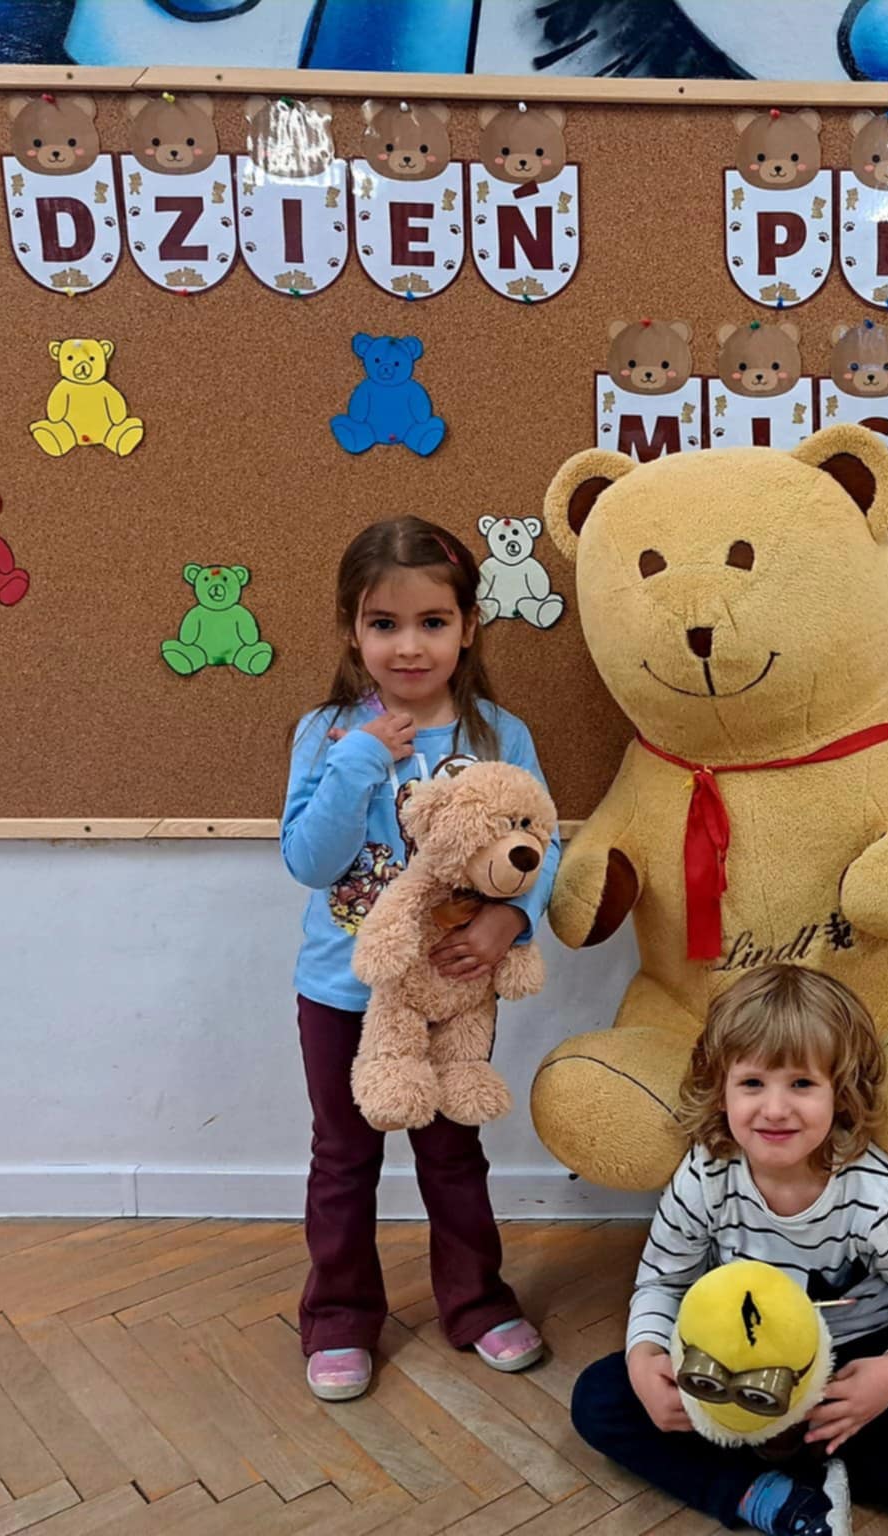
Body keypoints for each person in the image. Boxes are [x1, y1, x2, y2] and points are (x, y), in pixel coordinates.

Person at [570, 965, 888, 1535]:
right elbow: (661, 1280)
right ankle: (766, 1494)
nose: (775, 1109)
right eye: (753, 1083)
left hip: (850, 1363)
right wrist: (642, 1359)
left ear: (841, 1091)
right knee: (599, 1400)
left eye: (801, 1084)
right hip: (732, 1363)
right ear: (721, 1088)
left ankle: (799, 1456)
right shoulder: (706, 1173)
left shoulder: (879, 1191)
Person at [281, 515, 559, 1400]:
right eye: (384, 624)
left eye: (433, 622)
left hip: (454, 992)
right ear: (352, 630)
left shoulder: (499, 736)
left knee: (453, 1153)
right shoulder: (328, 733)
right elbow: (309, 861)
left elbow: (541, 844)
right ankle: (337, 1318)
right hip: (342, 989)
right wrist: (361, 759)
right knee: (344, 1157)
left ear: (468, 626)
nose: (409, 646)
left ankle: (476, 1302)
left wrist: (512, 921)